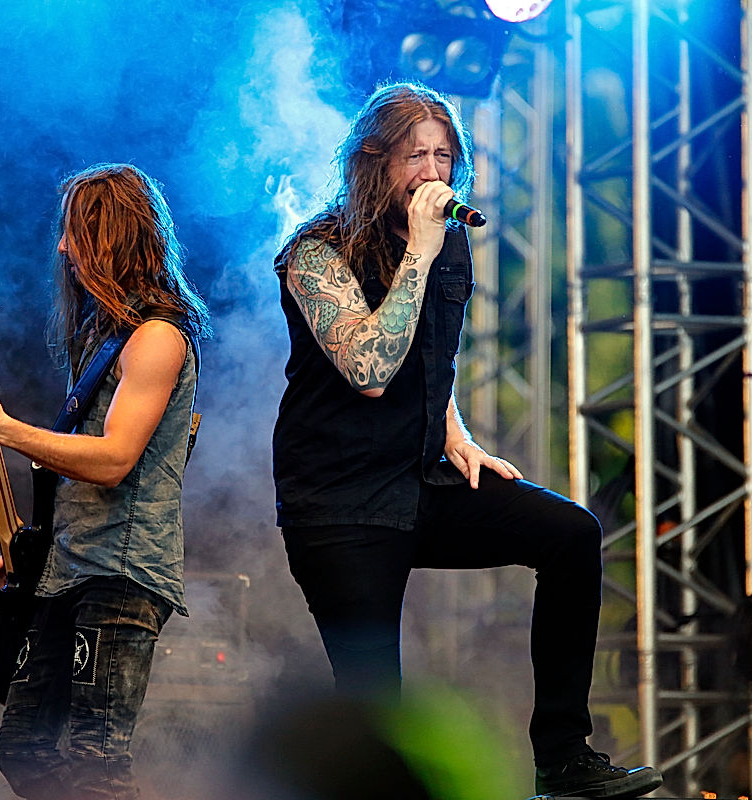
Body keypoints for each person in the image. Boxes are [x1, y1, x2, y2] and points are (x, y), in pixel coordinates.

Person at [271, 82, 663, 799]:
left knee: (571, 534)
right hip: (340, 502)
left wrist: (455, 431)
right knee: (374, 713)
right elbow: (370, 369)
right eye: (415, 155)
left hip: (419, 479)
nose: (432, 173)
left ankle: (563, 760)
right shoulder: (315, 252)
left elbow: (429, 357)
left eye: (445, 156)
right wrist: (418, 253)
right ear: (375, 162)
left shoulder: (448, 244)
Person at [0, 163, 210, 800]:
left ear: (110, 236)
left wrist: (6, 428)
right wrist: (27, 551)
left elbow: (114, 458)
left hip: (119, 575)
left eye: (75, 232)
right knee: (25, 751)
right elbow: (73, 469)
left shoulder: (158, 338)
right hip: (68, 567)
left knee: (97, 765)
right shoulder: (105, 335)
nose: (63, 247)